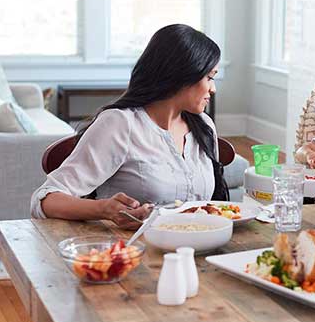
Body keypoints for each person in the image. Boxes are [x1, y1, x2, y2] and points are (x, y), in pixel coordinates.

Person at [30, 24, 229, 230]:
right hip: (131, 252)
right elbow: (45, 200)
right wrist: (103, 210)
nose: (213, 88)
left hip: (196, 250)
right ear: (183, 74)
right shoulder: (120, 124)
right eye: (209, 77)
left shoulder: (204, 126)